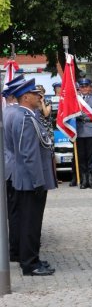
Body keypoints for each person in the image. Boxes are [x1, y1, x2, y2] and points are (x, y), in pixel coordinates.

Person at [12, 78, 57, 276]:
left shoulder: (27, 115)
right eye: (35, 94)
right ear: (25, 97)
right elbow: (28, 153)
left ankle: (30, 258)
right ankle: (30, 264)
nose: (40, 97)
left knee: (29, 222)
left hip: (29, 179)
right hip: (31, 180)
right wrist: (39, 181)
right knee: (31, 223)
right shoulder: (26, 118)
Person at [2, 74, 25, 263]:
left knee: (14, 211)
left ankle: (15, 248)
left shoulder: (6, 112)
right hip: (16, 169)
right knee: (17, 212)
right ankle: (16, 250)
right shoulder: (16, 114)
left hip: (8, 168)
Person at [76, 78, 92, 189]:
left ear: (90, 87)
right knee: (81, 156)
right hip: (79, 129)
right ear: (79, 88)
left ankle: (91, 179)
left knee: (90, 156)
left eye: (86, 86)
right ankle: (83, 179)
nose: (84, 88)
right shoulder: (75, 99)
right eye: (82, 86)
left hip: (90, 129)